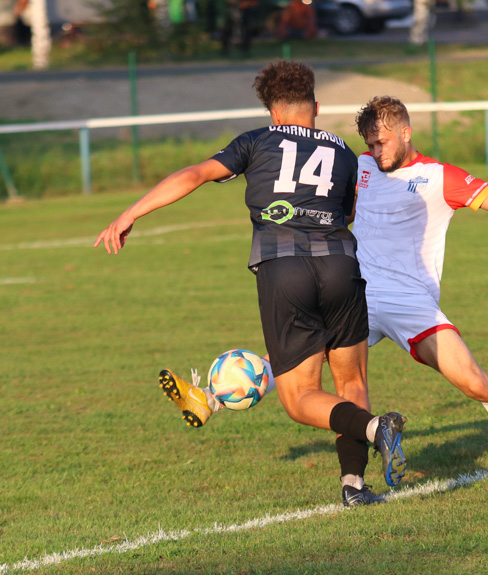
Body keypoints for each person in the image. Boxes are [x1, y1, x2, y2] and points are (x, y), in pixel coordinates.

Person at [170, 95, 488, 473]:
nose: (377, 152)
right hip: (352, 289)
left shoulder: (437, 177)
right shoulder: (358, 166)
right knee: (295, 362)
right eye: (370, 145)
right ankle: (210, 400)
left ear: (406, 133)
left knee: (473, 381)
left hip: (410, 301)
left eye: (382, 143)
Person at [94, 61, 407, 509]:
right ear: (315, 106)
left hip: (285, 268)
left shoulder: (258, 140)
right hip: (341, 262)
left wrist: (130, 214)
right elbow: (348, 210)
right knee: (351, 380)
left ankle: (376, 429)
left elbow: (196, 174)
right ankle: (355, 486)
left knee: (300, 398)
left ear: (272, 111)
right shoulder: (341, 149)